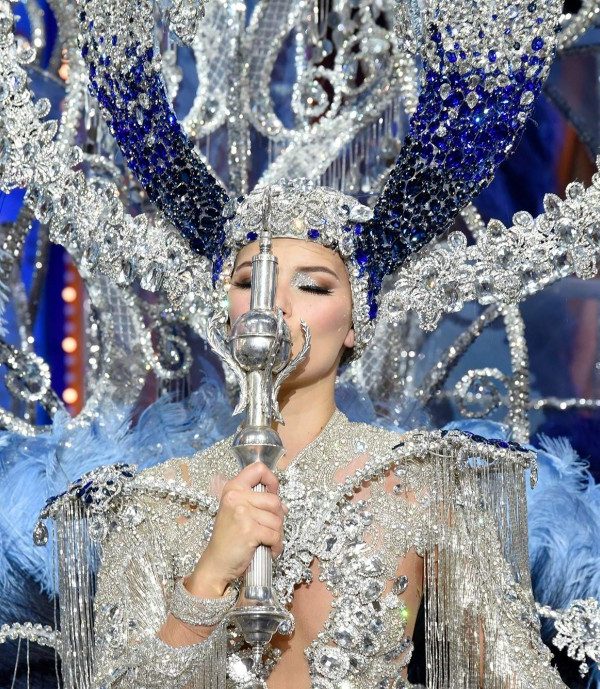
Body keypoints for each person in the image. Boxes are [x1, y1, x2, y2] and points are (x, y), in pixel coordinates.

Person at [90, 184, 567, 689]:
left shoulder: (420, 483)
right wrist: (207, 581)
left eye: (313, 287)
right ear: (225, 314)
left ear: (355, 323)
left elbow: (517, 676)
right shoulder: (157, 501)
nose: (273, 307)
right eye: (250, 282)